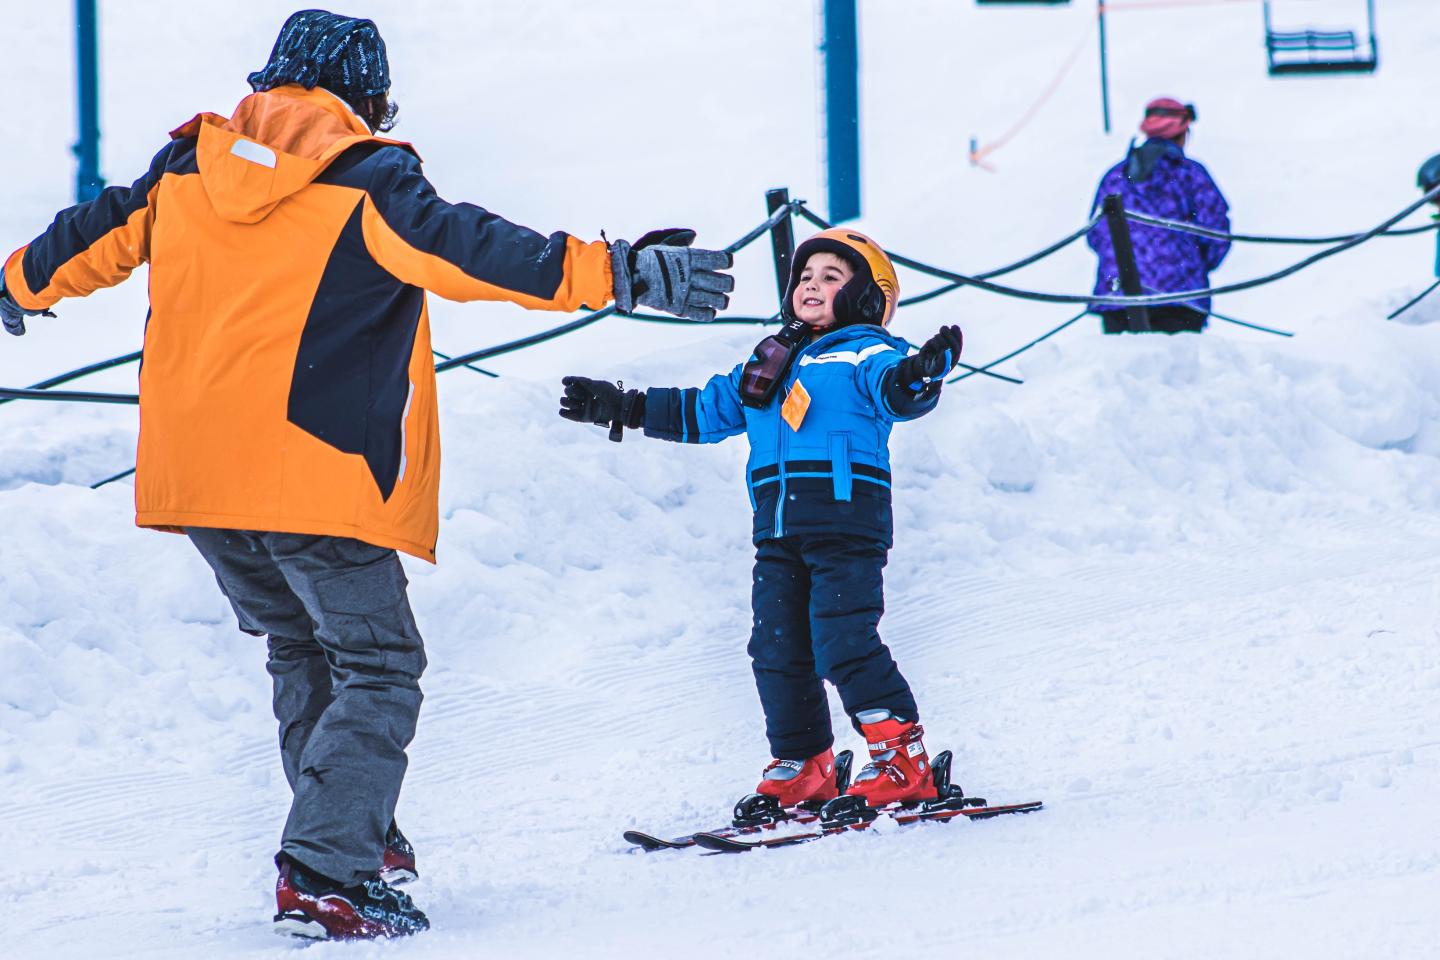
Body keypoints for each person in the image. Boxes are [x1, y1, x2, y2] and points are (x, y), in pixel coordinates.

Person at [0, 9, 733, 941]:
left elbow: (87, 237)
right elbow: (479, 250)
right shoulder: (367, 180)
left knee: (303, 650)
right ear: (366, 98)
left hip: (197, 479)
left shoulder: (183, 171)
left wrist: (17, 283)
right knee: (381, 664)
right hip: (315, 471)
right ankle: (325, 871)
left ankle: (352, 831)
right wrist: (619, 272)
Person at [557, 229, 964, 810]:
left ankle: (901, 756)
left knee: (842, 640)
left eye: (831, 277)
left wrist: (923, 371)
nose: (812, 286)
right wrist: (621, 406)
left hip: (846, 528)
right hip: (776, 532)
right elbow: (704, 409)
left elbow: (898, 391)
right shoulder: (768, 363)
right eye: (804, 277)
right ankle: (807, 762)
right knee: (775, 648)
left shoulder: (870, 353)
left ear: (868, 298)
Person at [1087, 97, 1231, 334]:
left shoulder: (1116, 176)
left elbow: (1097, 233)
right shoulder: (1190, 175)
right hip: (1181, 299)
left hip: (1118, 298)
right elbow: (1215, 232)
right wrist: (1191, 266)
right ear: (1182, 133)